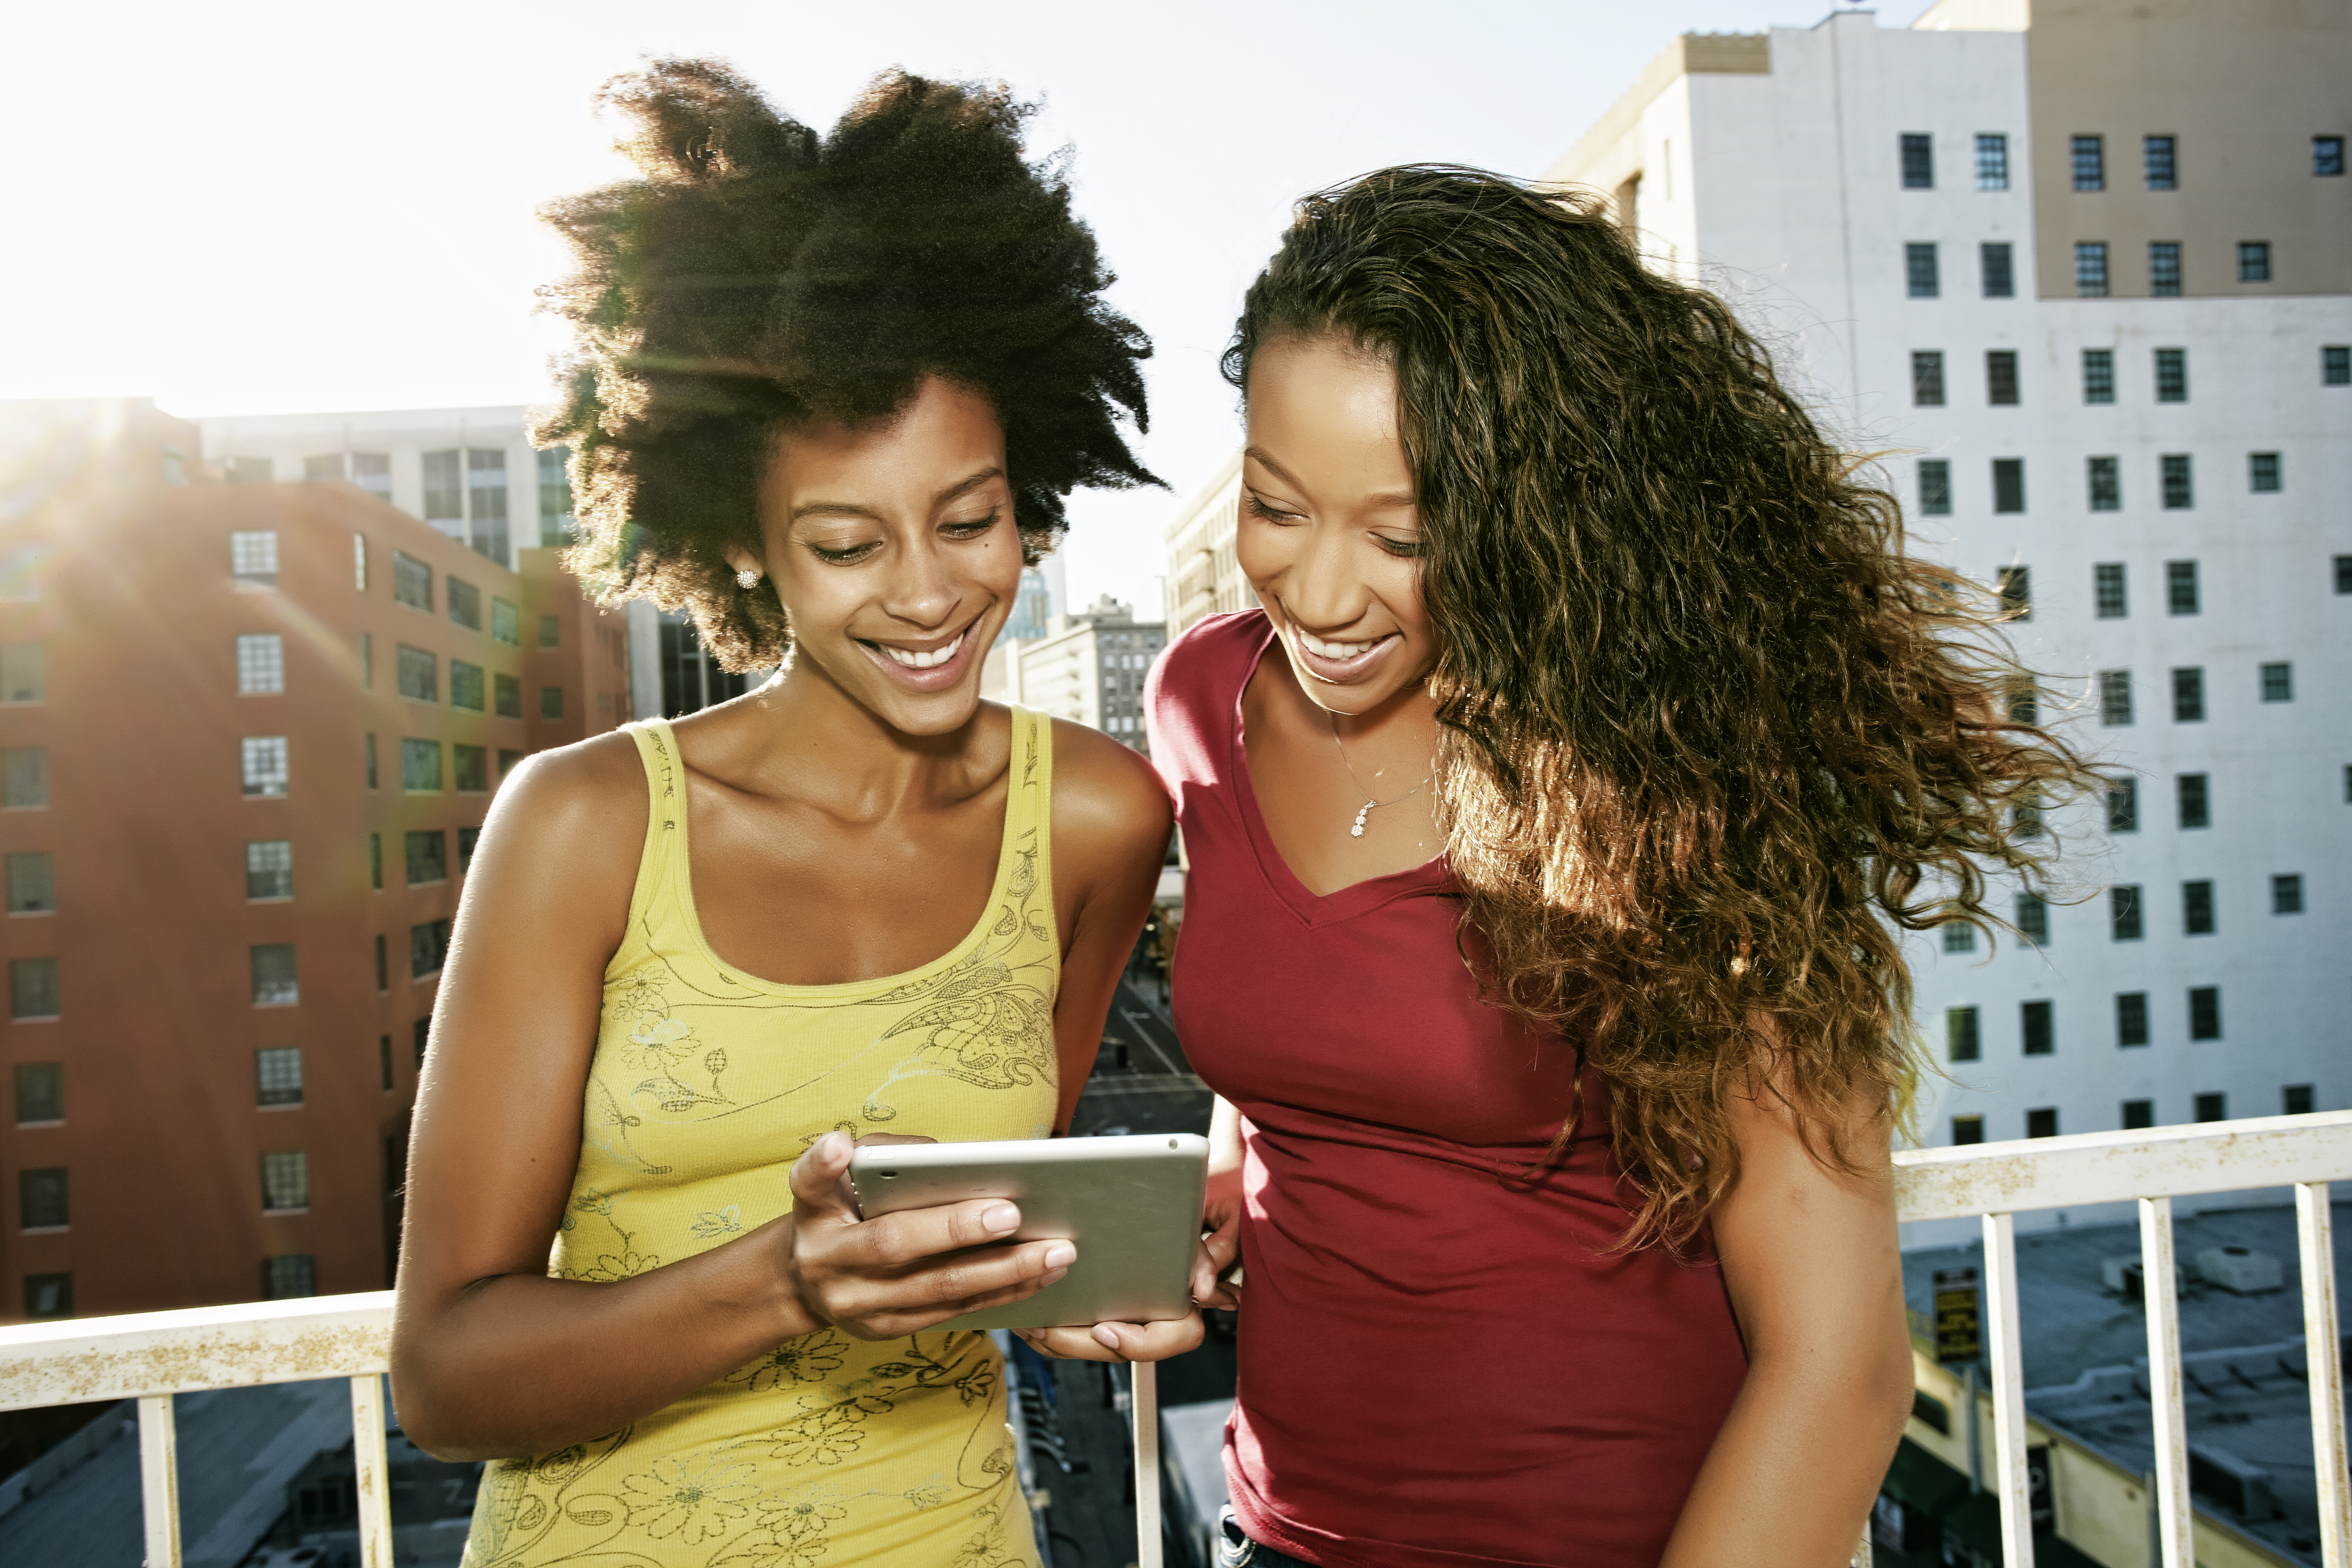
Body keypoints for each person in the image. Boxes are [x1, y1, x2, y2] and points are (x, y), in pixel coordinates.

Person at [1093, 166, 2091, 1567]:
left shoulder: (1666, 772)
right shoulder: (1203, 692)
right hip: (1277, 1537)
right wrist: (1236, 1170)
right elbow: (1314, 1016)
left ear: (1541, 521)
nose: (1319, 595)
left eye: (1406, 536)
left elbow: (1842, 1370)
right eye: (1276, 506)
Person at [388, 61, 1194, 1568]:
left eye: (971, 519)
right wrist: (789, 1281)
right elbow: (445, 1378)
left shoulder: (1094, 817)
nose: (929, 592)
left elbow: (1008, 1200)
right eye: (844, 544)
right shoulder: (586, 824)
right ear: (747, 551)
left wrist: (1087, 1277)